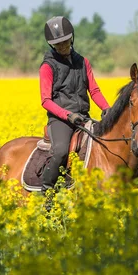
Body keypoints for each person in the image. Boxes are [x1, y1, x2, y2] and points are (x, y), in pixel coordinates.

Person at [40, 16, 110, 194]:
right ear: (52, 45)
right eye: (58, 44)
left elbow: (94, 90)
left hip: (83, 117)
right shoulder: (48, 66)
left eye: (65, 42)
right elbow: (46, 100)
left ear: (71, 38)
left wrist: (107, 108)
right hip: (60, 121)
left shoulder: (83, 62)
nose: (63, 46)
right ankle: (46, 193)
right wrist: (68, 115)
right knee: (62, 151)